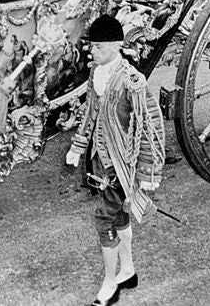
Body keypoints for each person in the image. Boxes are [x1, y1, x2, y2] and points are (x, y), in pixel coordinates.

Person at [65, 15, 165, 306]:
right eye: (91, 47)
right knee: (119, 215)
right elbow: (89, 114)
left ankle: (110, 282)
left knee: (103, 218)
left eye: (97, 47)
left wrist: (148, 173)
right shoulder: (96, 71)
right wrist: (77, 146)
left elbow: (151, 126)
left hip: (123, 164)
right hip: (99, 160)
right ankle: (129, 270)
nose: (92, 51)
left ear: (116, 46)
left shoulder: (132, 81)